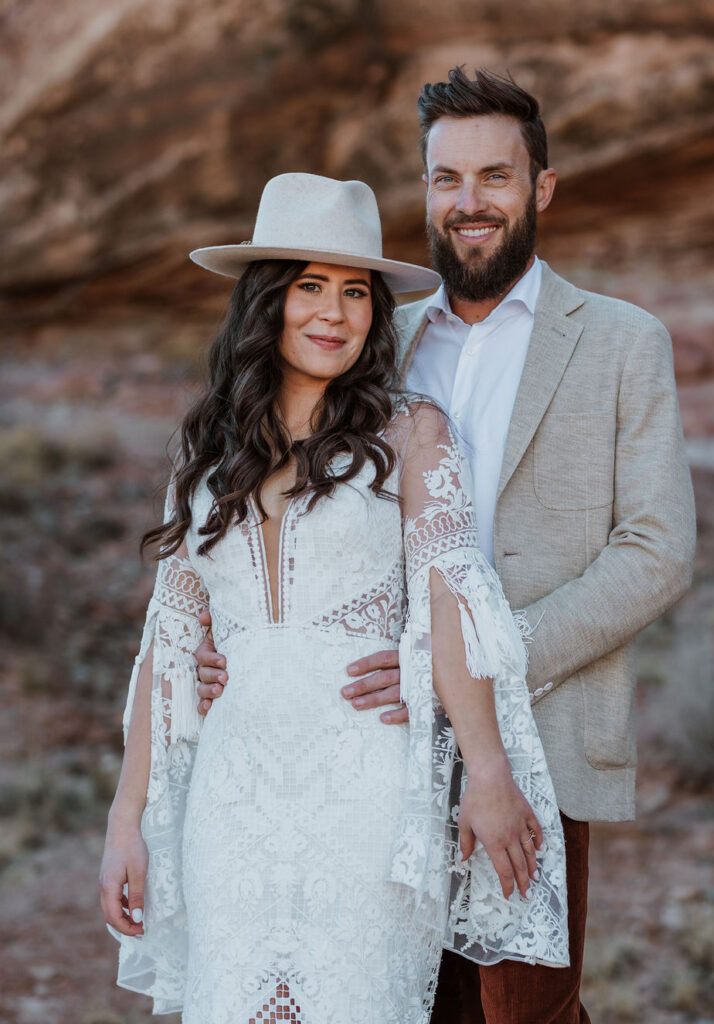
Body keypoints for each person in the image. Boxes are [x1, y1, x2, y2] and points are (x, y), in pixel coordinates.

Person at [196, 68, 697, 1023]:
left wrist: (473, 660)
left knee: (524, 1012)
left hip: (534, 733)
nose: (468, 203)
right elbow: (278, 510)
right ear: (423, 191)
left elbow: (657, 551)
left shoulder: (623, 342)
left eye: (494, 178)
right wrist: (247, 645)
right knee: (384, 998)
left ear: (539, 188)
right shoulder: (373, 336)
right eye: (445, 180)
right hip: (364, 746)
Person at [99, 172, 569, 1024]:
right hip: (229, 799)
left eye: (356, 292)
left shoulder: (410, 431)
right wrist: (125, 819)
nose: (335, 312)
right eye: (309, 287)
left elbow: (449, 606)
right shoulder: (206, 454)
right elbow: (165, 649)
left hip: (367, 790)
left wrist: (488, 770)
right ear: (266, 302)